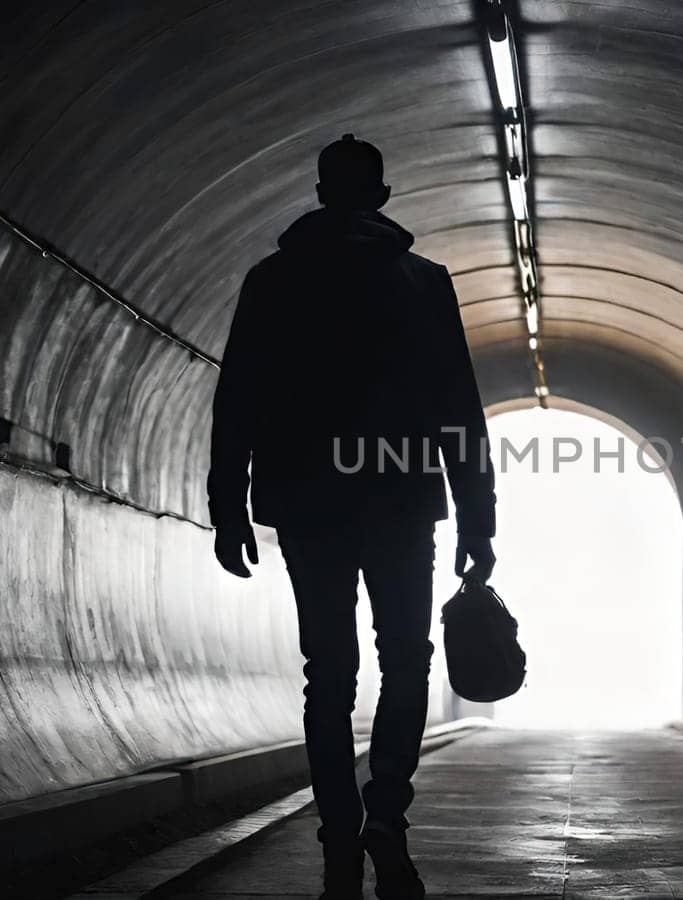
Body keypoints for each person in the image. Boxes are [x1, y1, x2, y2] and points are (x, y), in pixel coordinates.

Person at [208, 134, 496, 900]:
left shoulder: (271, 280)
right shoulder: (423, 282)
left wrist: (226, 503)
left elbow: (238, 392)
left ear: (320, 191)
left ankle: (339, 836)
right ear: (381, 197)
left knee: (327, 674)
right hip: (401, 500)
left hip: (306, 500)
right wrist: (478, 517)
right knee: (406, 658)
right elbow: (457, 407)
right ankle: (386, 818)